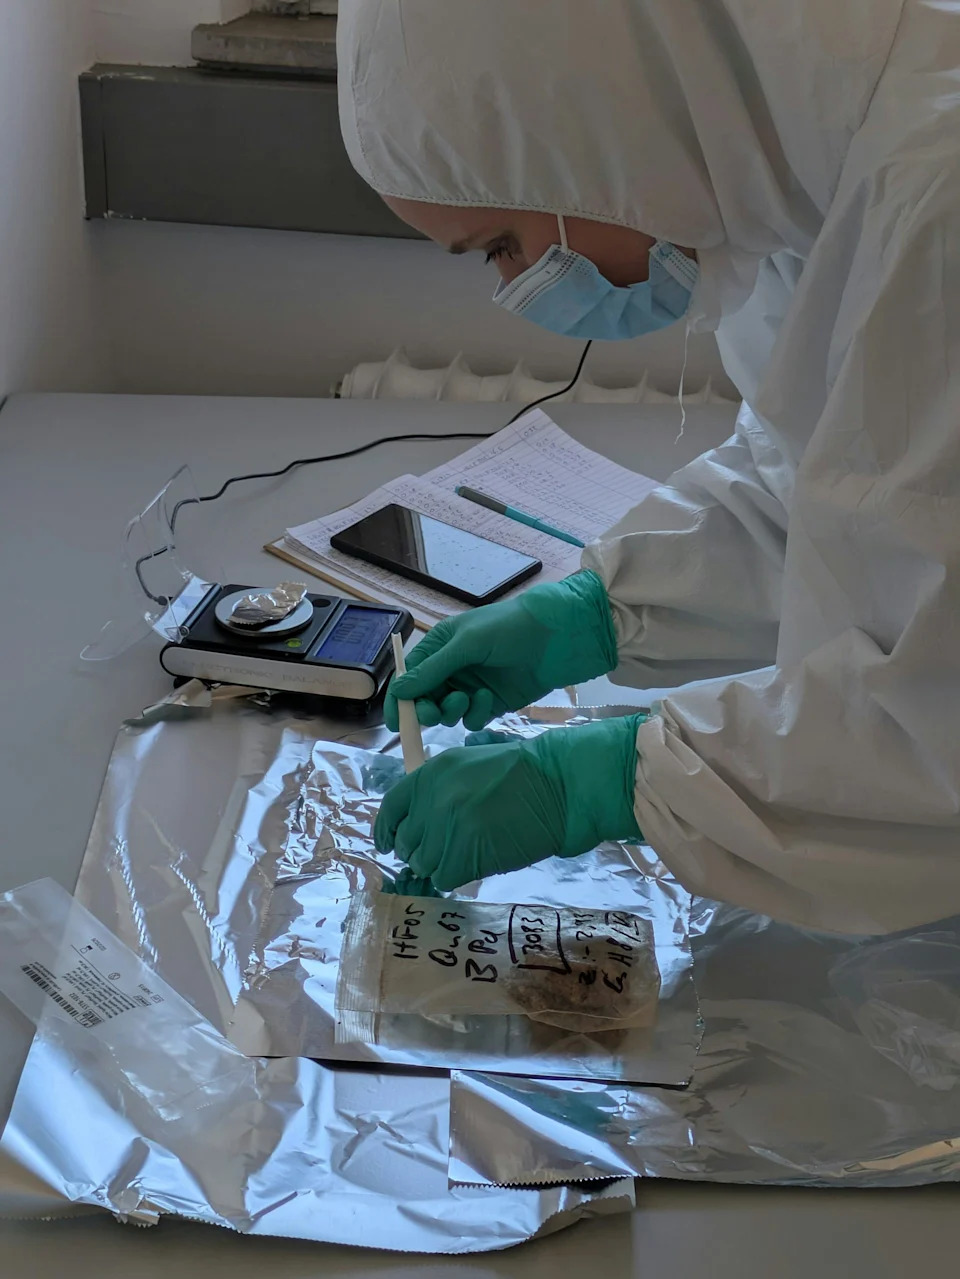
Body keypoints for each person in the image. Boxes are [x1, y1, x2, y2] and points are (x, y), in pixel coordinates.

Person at [337, 0, 960, 934]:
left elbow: (936, 725)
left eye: (502, 245)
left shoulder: (939, 198)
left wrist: (601, 779)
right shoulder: (814, 181)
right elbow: (825, 491)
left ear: (590, 129)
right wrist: (603, 609)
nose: (511, 285)